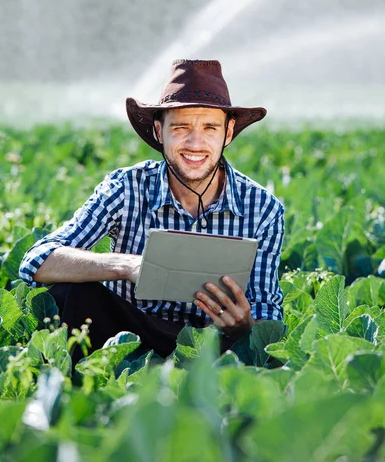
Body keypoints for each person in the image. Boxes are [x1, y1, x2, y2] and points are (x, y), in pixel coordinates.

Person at [20, 59, 284, 363]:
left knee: (254, 355)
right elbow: (36, 261)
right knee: (72, 292)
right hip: (123, 339)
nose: (195, 143)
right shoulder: (125, 186)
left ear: (228, 133)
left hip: (209, 348)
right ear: (159, 131)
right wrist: (127, 266)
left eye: (210, 128)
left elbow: (268, 319)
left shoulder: (263, 208)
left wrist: (243, 325)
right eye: (181, 127)